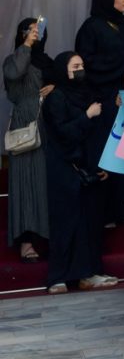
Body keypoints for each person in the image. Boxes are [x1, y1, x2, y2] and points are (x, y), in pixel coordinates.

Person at [43, 52, 118, 294]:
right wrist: (86, 116)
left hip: (87, 170)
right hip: (64, 170)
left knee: (89, 223)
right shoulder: (56, 98)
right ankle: (59, 277)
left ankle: (87, 273)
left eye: (82, 65)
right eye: (75, 66)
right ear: (63, 70)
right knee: (66, 224)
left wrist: (99, 165)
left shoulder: (87, 95)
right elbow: (62, 133)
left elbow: (97, 134)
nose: (80, 69)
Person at [75, 0, 124, 226]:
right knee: (107, 154)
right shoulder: (91, 28)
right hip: (102, 102)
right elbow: (87, 65)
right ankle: (107, 214)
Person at [3, 18, 53, 262]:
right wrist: (26, 45)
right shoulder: (13, 60)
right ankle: (25, 241)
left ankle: (45, 237)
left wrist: (54, 86)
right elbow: (15, 73)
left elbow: (63, 78)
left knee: (44, 182)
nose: (36, 34)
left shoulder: (45, 62)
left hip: (46, 126)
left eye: (39, 31)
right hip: (24, 127)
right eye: (31, 31)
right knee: (24, 183)